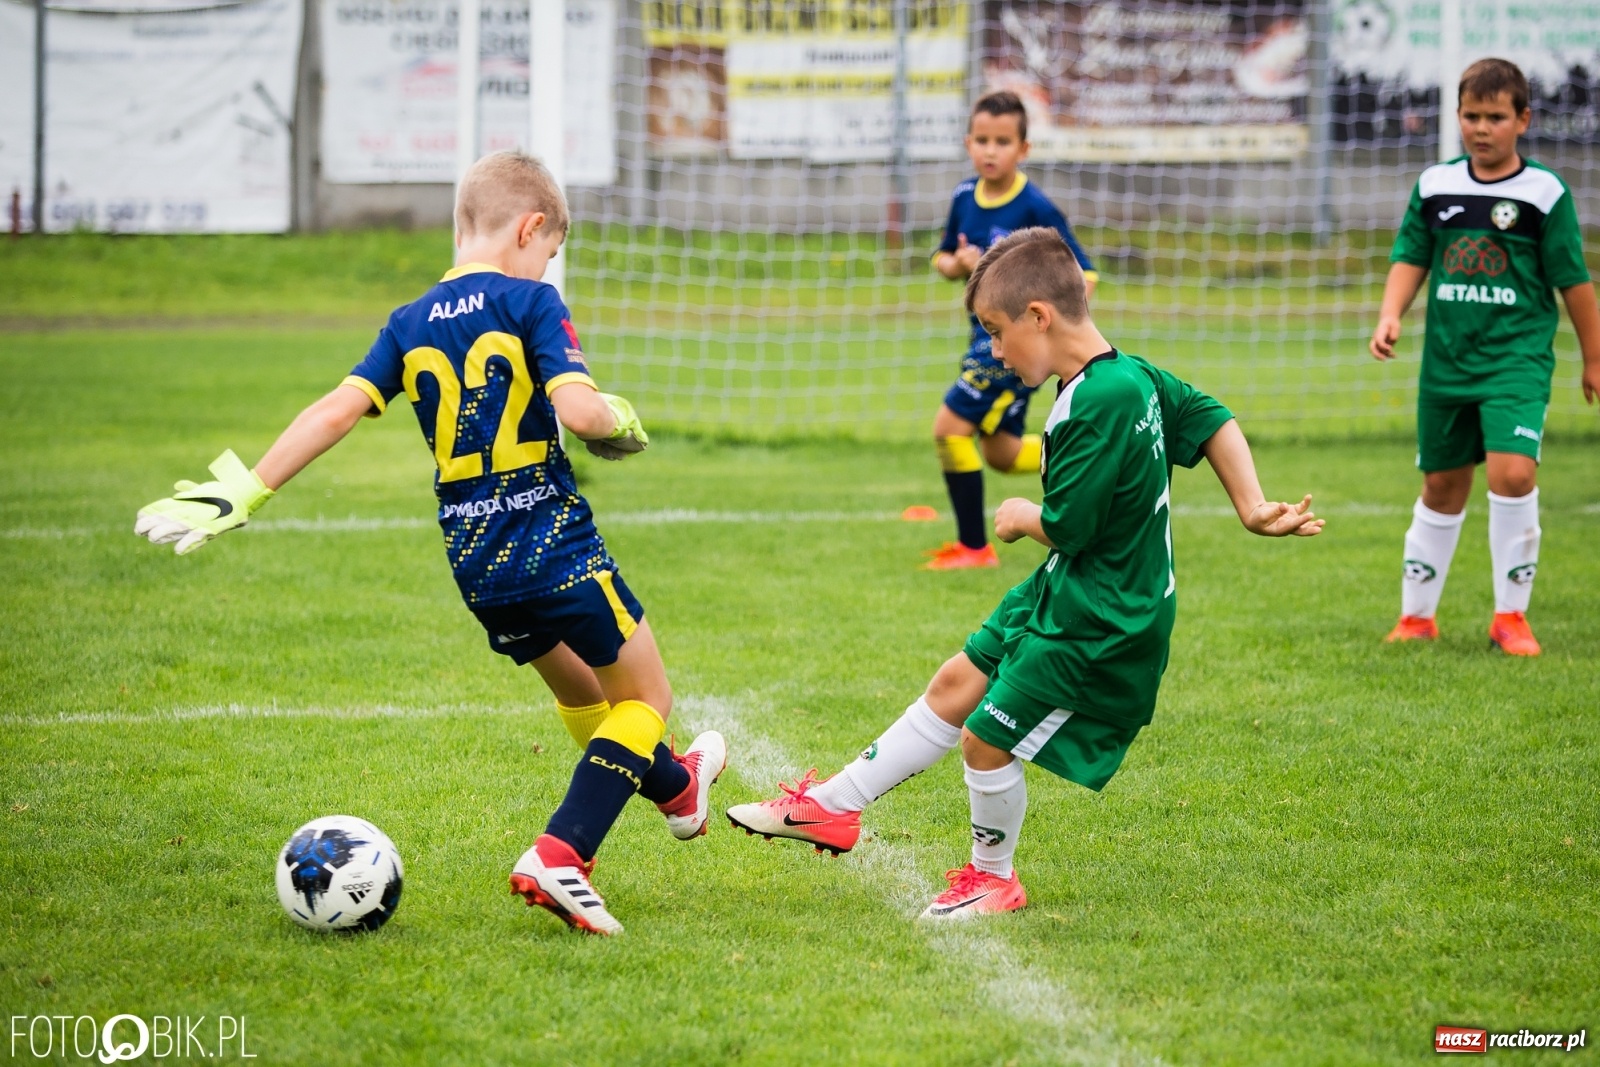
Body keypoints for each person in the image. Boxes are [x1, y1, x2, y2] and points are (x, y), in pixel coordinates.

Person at [133, 150, 726, 936]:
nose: (548, 266)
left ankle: (678, 789)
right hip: (553, 541)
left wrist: (247, 488)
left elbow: (336, 410)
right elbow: (582, 414)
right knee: (645, 701)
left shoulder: (408, 321)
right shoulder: (532, 301)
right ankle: (562, 852)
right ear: (531, 228)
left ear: (459, 224)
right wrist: (619, 419)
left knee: (583, 694)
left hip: (477, 560)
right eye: (551, 251)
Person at [728, 228, 1323, 917]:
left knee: (986, 738)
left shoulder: (1102, 399)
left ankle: (993, 879)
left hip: (1103, 614)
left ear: (1039, 315)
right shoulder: (1126, 376)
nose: (995, 351)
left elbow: (1073, 525)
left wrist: (1019, 514)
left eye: (996, 331)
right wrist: (1249, 504)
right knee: (956, 682)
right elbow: (1210, 417)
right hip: (1068, 586)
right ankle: (831, 808)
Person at [1371, 58, 1600, 655]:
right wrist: (1391, 314)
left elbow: (1574, 282)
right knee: (1442, 484)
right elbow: (1411, 256)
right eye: (1471, 116)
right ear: (1457, 117)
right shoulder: (1435, 185)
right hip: (1447, 364)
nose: (1481, 128)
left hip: (1515, 362)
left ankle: (1510, 617)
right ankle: (1416, 618)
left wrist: (1593, 359)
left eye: (1495, 117)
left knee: (1514, 473)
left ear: (1522, 120)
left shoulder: (1544, 192)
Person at [924, 90, 1098, 570]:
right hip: (983, 337)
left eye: (1002, 142)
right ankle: (1090, 455)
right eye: (982, 140)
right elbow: (942, 255)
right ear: (968, 143)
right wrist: (957, 264)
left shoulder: (1035, 207)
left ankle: (974, 549)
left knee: (949, 430)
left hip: (1009, 348)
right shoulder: (964, 196)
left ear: (1023, 149)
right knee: (1001, 454)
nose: (990, 150)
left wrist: (1048, 323)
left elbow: (1084, 274)